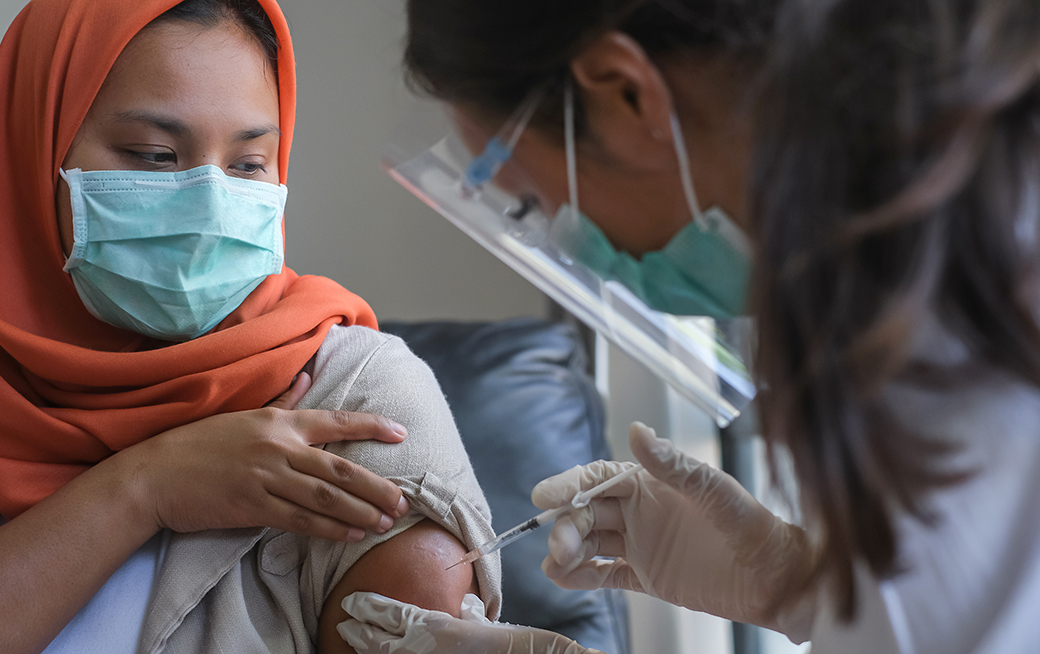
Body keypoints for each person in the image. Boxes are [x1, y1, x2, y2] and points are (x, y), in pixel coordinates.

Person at [337, 0, 1040, 652]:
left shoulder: (950, 327)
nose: (574, 248)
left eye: (529, 204)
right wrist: (803, 587)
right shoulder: (919, 247)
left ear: (626, 92)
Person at [0, 1, 501, 652]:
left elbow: (417, 615)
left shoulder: (356, 387)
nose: (209, 204)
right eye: (154, 155)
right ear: (36, 149)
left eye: (247, 164)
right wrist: (144, 488)